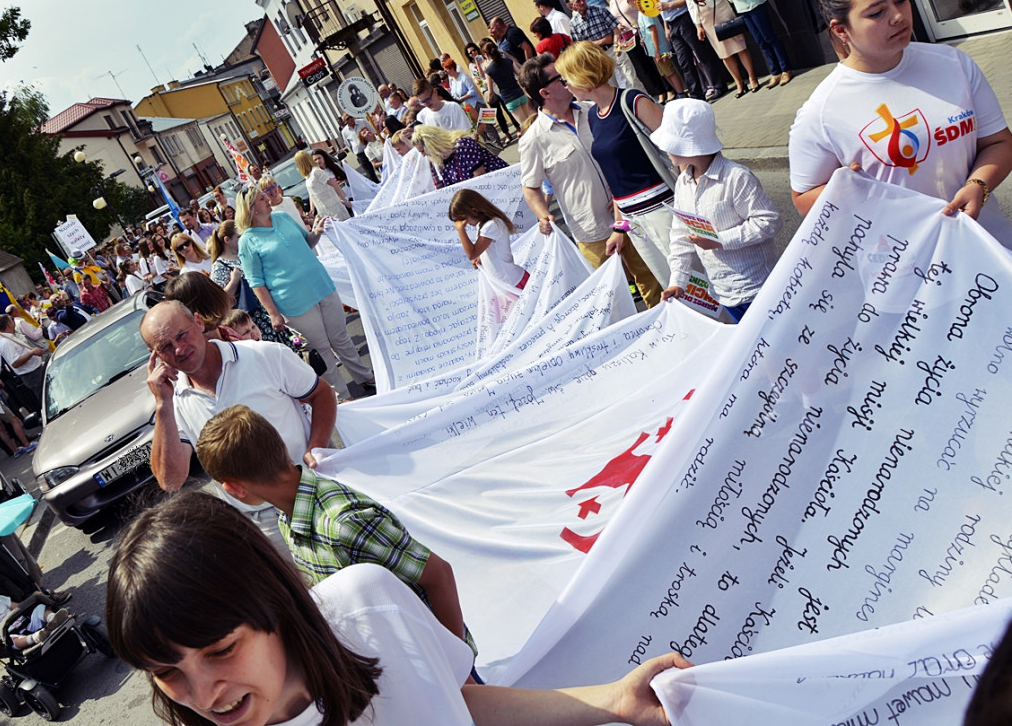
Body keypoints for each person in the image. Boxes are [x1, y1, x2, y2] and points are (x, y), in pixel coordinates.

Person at [106, 492, 692, 726]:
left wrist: (614, 700)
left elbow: (453, 700)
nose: (205, 693)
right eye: (168, 671)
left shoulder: (368, 604)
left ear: (276, 605)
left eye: (220, 650)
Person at [197, 405, 476, 654]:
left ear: (234, 489)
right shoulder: (289, 517)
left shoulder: (343, 523)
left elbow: (439, 574)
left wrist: (457, 663)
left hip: (432, 655)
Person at [788, 0, 1012, 243]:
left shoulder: (953, 63)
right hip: (901, 266)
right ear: (841, 30)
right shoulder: (820, 111)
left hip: (988, 244)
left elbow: (999, 143)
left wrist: (978, 185)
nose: (897, 16)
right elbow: (802, 198)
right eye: (877, 12)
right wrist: (846, 193)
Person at [140, 300, 338, 549]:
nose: (179, 349)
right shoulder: (173, 399)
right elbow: (171, 480)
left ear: (198, 322)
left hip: (310, 493)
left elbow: (321, 394)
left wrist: (316, 448)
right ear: (155, 357)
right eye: (166, 347)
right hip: (262, 526)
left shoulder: (263, 355)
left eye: (182, 335)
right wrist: (162, 405)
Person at [518, 54, 662, 307]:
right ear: (545, 92)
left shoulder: (592, 111)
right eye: (559, 78)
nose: (567, 80)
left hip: (628, 214)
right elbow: (530, 188)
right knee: (612, 297)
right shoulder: (533, 140)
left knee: (654, 279)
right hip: (590, 229)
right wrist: (543, 215)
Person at [236, 186, 376, 402]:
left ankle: (365, 377)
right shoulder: (247, 241)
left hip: (321, 285)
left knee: (341, 338)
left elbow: (308, 242)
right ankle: (342, 395)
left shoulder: (283, 217)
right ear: (252, 209)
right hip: (293, 302)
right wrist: (273, 313)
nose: (268, 199)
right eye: (262, 198)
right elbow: (256, 282)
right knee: (321, 348)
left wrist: (317, 233)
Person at [555, 41, 677, 288]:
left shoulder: (632, 100)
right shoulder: (592, 115)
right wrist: (620, 228)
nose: (565, 86)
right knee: (669, 284)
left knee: (693, 280)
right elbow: (616, 181)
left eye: (566, 79)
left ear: (583, 76)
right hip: (634, 221)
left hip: (662, 209)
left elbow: (677, 148)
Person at [650, 99, 781, 320]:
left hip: (756, 286)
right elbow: (680, 235)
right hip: (721, 290)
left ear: (690, 144)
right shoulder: (684, 181)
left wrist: (720, 240)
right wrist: (678, 282)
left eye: (670, 142)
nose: (663, 148)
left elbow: (768, 221)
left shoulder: (736, 177)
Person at [645, 0, 728, 100]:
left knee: (702, 54)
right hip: (672, 24)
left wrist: (669, 5)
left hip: (685, 19)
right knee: (684, 62)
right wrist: (666, 26)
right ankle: (697, 95)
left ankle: (719, 86)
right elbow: (660, 5)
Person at [680, 0, 761, 99]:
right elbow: (690, 5)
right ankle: (739, 83)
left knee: (739, 46)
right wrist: (698, 25)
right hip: (706, 19)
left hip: (721, 11)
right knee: (724, 53)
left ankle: (752, 78)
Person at [208, 219, 294, 347]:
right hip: (252, 319)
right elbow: (220, 299)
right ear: (227, 240)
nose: (243, 239)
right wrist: (234, 281)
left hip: (268, 307)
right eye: (239, 236)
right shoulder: (220, 266)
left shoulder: (244, 254)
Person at [717, 0, 792, 88]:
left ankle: (786, 70)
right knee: (761, 42)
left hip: (755, 4)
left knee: (770, 38)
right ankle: (776, 72)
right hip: (743, 8)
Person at [448, 189, 529, 291]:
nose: (464, 223)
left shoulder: (492, 225)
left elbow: (471, 254)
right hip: (503, 284)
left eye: (464, 219)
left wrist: (461, 230)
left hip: (513, 283)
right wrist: (483, 259)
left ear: (474, 210)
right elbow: (493, 249)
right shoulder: (483, 226)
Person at [606, 0, 667, 99]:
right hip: (628, 37)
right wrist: (618, 26)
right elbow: (614, 18)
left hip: (642, 32)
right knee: (642, 67)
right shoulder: (613, 1)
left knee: (655, 62)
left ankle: (669, 88)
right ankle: (659, 91)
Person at [412, 125, 509, 189]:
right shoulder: (441, 161)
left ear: (432, 144)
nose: (423, 155)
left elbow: (480, 175)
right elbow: (451, 189)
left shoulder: (463, 145)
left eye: (423, 151)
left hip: (499, 184)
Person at [465, 41, 520, 143]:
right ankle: (505, 134)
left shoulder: (485, 57)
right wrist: (477, 75)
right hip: (486, 89)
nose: (473, 53)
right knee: (496, 113)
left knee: (507, 108)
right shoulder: (471, 65)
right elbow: (478, 77)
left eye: (474, 50)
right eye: (470, 52)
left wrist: (481, 63)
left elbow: (488, 72)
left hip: (496, 87)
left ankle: (518, 128)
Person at [0, 582, 68, 652]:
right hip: (11, 635)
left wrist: (31, 598)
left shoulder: (0, 600)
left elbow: (20, 607)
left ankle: (53, 618)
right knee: (12, 642)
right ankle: (36, 637)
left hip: (27, 624)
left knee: (39, 608)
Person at [0, 314, 46, 401]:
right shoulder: (5, 342)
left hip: (37, 371)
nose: (14, 323)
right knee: (45, 398)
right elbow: (15, 363)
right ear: (8, 324)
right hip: (32, 375)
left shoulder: (11, 338)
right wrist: (32, 353)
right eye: (12, 321)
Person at [482, 41, 533, 124]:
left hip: (509, 98)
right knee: (529, 121)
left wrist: (489, 100)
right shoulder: (508, 61)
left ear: (486, 55)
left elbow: (490, 92)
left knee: (524, 125)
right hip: (520, 94)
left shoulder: (489, 70)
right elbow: (520, 75)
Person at [296, 150, 351, 223]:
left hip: (334, 208)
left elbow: (333, 184)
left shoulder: (316, 172)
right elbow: (312, 194)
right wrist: (312, 210)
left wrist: (343, 200)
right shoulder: (308, 176)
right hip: (324, 210)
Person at [341, 114, 379, 181]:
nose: (350, 119)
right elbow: (348, 144)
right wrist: (355, 152)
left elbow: (373, 132)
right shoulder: (344, 132)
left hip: (371, 149)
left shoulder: (362, 122)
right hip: (361, 154)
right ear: (345, 121)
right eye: (347, 119)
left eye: (351, 117)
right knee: (370, 175)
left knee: (379, 167)